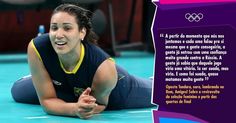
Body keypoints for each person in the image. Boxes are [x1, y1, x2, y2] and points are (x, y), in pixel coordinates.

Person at [11, 3, 154, 119]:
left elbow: (101, 104)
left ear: (82, 32)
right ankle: (51, 79)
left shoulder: (104, 69)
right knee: (17, 91)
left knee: (163, 93)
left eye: (67, 28)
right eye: (54, 28)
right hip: (66, 88)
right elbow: (47, 101)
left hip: (117, 91)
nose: (58, 35)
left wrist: (84, 108)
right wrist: (74, 108)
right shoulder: (37, 47)